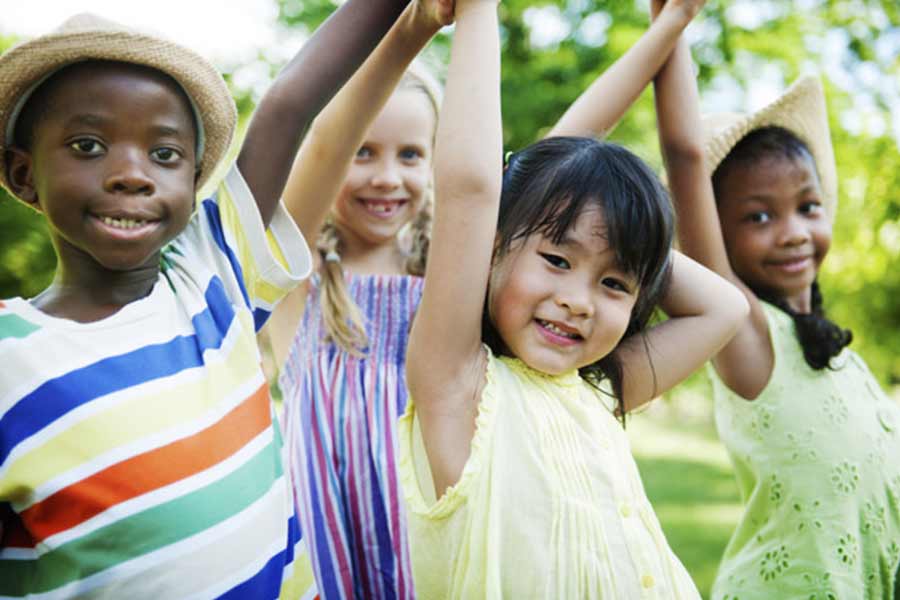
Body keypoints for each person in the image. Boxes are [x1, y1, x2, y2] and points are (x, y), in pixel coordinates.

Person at [264, 0, 710, 594]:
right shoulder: (294, 281)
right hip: (342, 570)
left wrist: (671, 25)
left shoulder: (461, 283)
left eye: (411, 155)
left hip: (458, 556)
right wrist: (412, 27)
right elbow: (325, 143)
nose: (386, 176)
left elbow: (564, 172)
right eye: (364, 152)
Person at [0, 2, 412, 597]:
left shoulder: (214, 275)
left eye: (164, 154)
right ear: (22, 173)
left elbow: (289, 107)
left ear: (194, 184)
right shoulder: (12, 360)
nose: (132, 174)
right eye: (88, 146)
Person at [397, 0, 748, 596]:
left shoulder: (601, 390)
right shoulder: (457, 387)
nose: (579, 301)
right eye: (557, 261)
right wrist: (479, 10)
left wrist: (629, 240)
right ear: (491, 245)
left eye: (613, 284)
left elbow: (726, 307)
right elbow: (471, 190)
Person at [652, 13, 900, 599]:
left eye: (807, 207)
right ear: (716, 232)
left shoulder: (840, 355)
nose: (791, 232)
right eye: (759, 216)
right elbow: (686, 156)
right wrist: (672, 19)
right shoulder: (746, 332)